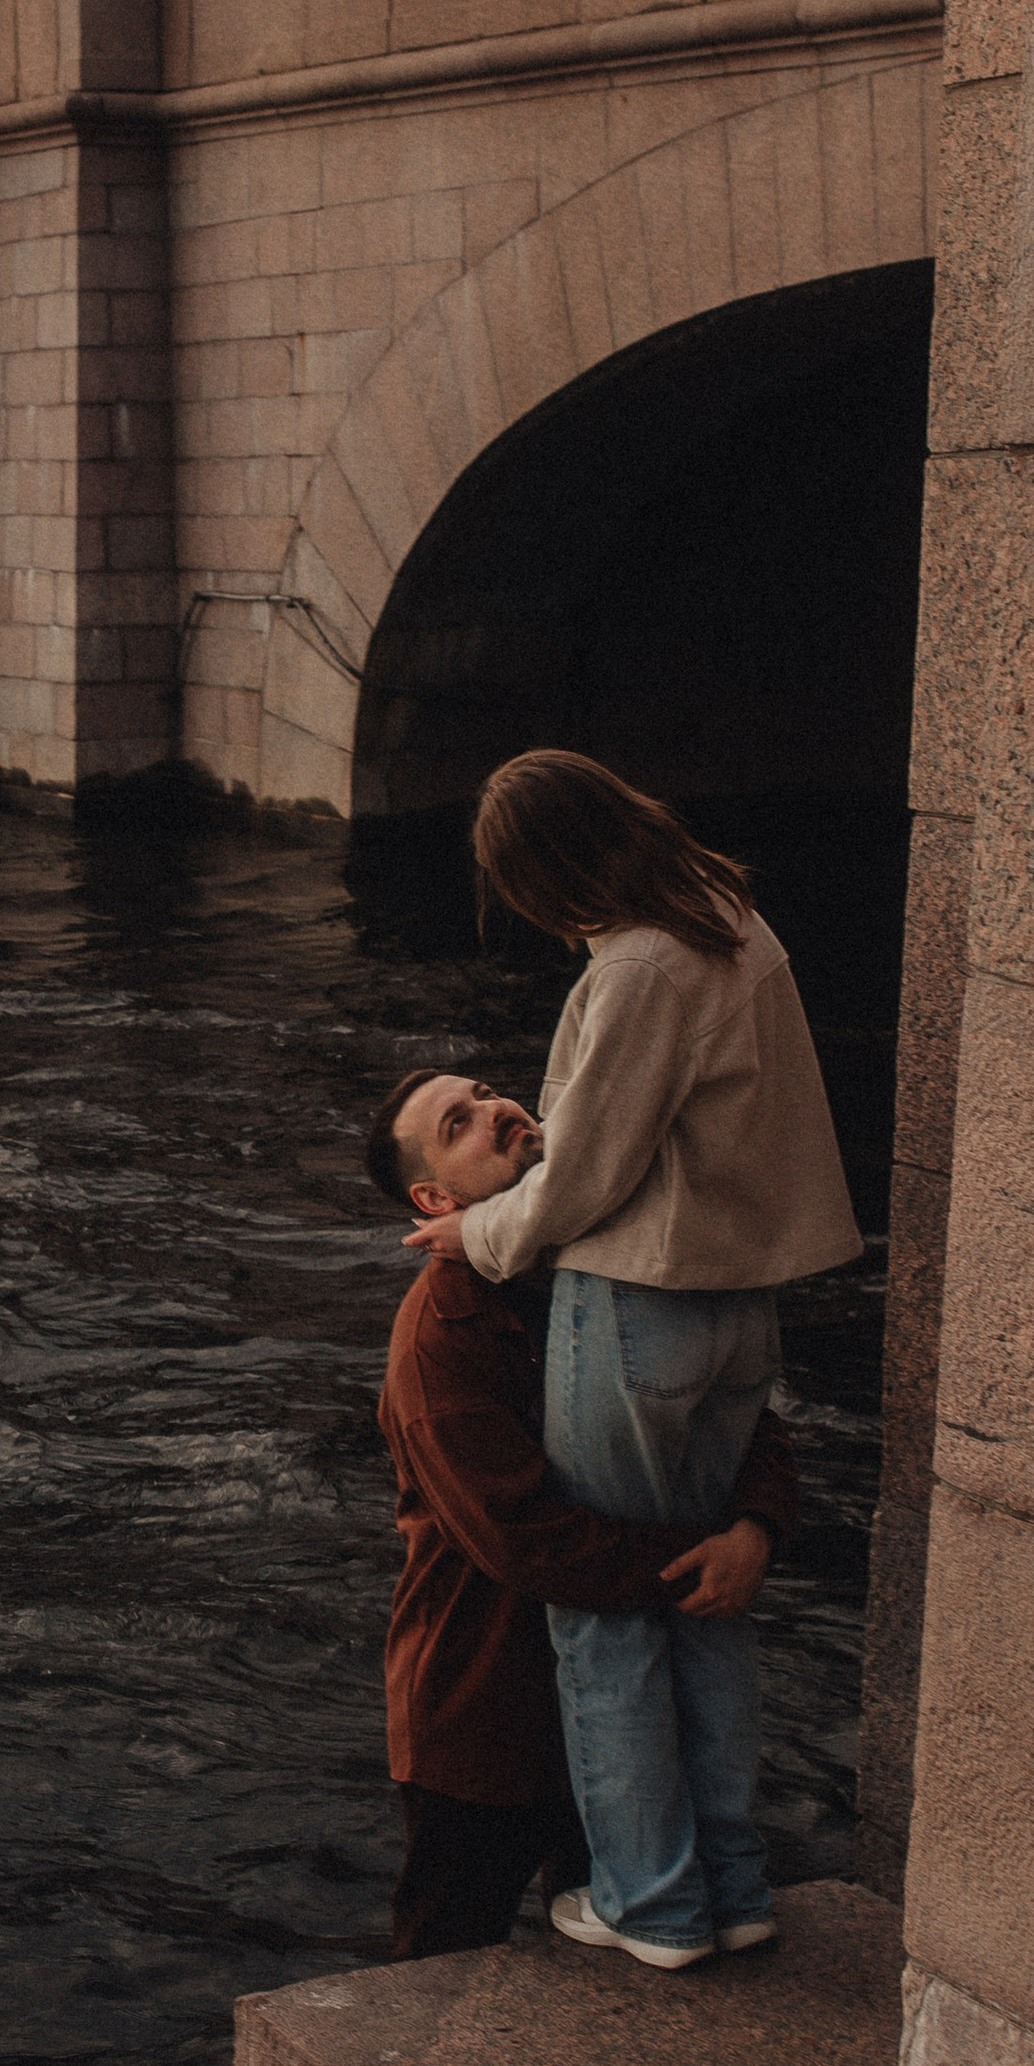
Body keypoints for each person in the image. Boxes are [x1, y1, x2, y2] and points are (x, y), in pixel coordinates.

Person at [399, 753, 860, 1971]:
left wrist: (475, 1231)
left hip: (640, 1302)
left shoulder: (638, 963)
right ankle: (733, 1883)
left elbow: (592, 1174)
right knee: (711, 1601)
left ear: (543, 874)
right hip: (737, 1307)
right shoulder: (728, 921)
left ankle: (649, 1905)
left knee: (607, 1625)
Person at [367, 1069, 797, 1962]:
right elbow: (519, 1538)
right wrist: (700, 1560)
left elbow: (727, 1405)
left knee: (636, 1943)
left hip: (624, 1684)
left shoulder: (605, 1256)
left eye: (487, 1090)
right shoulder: (441, 1336)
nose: (497, 1110)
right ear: (435, 1199)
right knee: (443, 1965)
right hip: (487, 1710)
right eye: (462, 1122)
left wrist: (755, 1527)